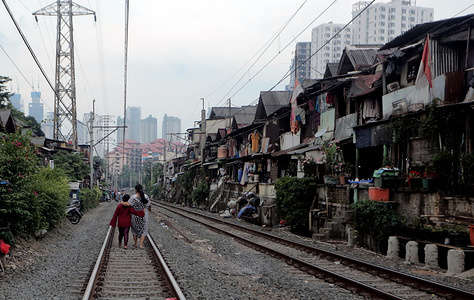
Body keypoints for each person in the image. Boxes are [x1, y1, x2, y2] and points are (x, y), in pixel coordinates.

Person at [123, 184, 150, 248]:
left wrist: (122, 203)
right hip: (143, 216)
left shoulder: (133, 197)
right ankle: (141, 244)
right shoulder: (146, 197)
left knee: (134, 230)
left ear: (136, 190)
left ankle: (135, 243)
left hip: (135, 216)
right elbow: (148, 205)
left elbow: (128, 204)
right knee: (144, 229)